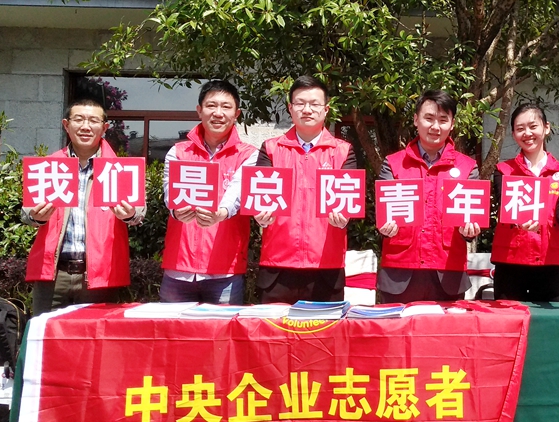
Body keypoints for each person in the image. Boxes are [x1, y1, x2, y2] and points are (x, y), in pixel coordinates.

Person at [221, 76, 356, 303]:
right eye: (300, 103)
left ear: (326, 109)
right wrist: (260, 217)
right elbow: (259, 200)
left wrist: (344, 218)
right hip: (277, 265)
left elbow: (348, 204)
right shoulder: (270, 149)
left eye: (314, 104)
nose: (307, 109)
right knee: (272, 327)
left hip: (326, 267)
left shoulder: (343, 151)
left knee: (323, 328)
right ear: (290, 108)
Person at [22, 99, 144, 315]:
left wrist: (130, 214)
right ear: (66, 125)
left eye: (93, 121)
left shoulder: (120, 169)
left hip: (99, 274)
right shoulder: (48, 166)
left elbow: (138, 214)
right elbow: (27, 213)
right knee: (47, 333)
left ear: (104, 128)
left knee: (95, 335)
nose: (86, 126)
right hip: (54, 275)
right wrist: (35, 216)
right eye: (78, 119)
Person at [376, 90, 480, 303]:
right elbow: (383, 215)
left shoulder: (468, 167)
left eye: (443, 120)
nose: (435, 126)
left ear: (452, 124)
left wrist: (469, 231)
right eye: (429, 118)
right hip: (400, 273)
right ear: (416, 120)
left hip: (448, 274)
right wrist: (384, 227)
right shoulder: (393, 163)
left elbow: (471, 218)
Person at [160, 80, 258, 305]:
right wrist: (176, 210)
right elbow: (170, 193)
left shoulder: (249, 155)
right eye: (211, 105)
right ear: (199, 110)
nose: (218, 113)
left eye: (226, 107)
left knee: (223, 329)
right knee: (172, 328)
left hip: (225, 271)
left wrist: (221, 213)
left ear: (236, 114)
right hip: (178, 268)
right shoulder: (178, 152)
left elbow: (238, 192)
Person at [489, 103, 559, 302]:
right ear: (513, 134)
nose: (527, 133)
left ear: (546, 128)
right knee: (508, 318)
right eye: (520, 129)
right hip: (510, 262)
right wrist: (520, 221)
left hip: (549, 262)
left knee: (547, 321)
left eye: (533, 126)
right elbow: (505, 203)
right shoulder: (503, 170)